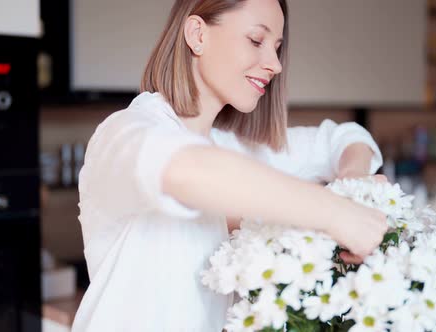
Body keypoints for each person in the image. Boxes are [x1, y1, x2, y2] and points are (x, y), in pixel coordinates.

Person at [71, 0, 388, 331]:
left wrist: (354, 183)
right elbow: (188, 171)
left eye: (277, 48)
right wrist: (335, 211)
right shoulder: (125, 131)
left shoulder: (228, 148)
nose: (276, 65)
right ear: (197, 35)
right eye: (256, 40)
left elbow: (341, 138)